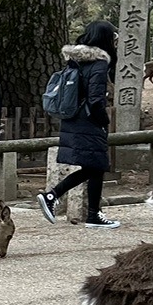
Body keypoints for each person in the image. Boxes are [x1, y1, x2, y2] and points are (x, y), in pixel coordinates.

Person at [35, 19, 120, 229]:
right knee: (96, 166)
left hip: (73, 118)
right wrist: (103, 120)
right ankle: (52, 196)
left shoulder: (76, 61)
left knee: (95, 167)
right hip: (89, 121)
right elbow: (95, 99)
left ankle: (93, 214)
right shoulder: (99, 63)